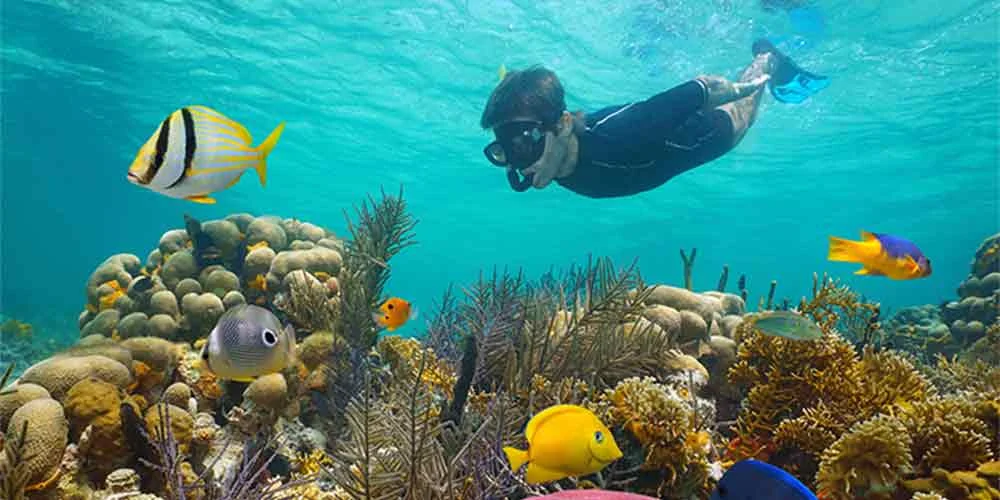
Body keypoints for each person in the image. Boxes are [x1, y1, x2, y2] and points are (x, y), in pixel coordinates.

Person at [480, 39, 829, 198]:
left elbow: (701, 89)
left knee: (741, 119)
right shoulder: (552, 162)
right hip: (649, 145)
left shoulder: (622, 134)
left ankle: (767, 59)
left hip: (699, 136)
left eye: (524, 142)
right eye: (502, 151)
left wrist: (746, 87)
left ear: (563, 125)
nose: (516, 165)